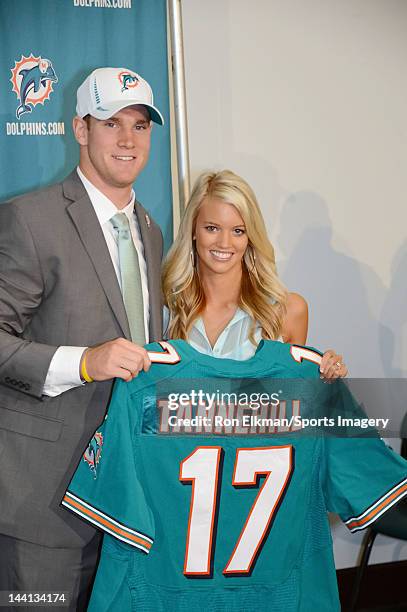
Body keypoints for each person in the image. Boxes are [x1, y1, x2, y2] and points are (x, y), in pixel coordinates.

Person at [0, 66, 164, 610]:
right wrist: (84, 362)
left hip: (125, 494)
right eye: (110, 122)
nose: (127, 139)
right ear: (79, 128)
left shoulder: (150, 229)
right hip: (43, 499)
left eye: (140, 125)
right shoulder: (29, 219)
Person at [162, 169, 347, 376]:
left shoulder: (287, 311)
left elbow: (290, 399)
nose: (224, 243)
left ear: (250, 236)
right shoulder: (167, 309)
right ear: (193, 230)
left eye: (238, 231)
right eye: (212, 228)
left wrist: (325, 377)